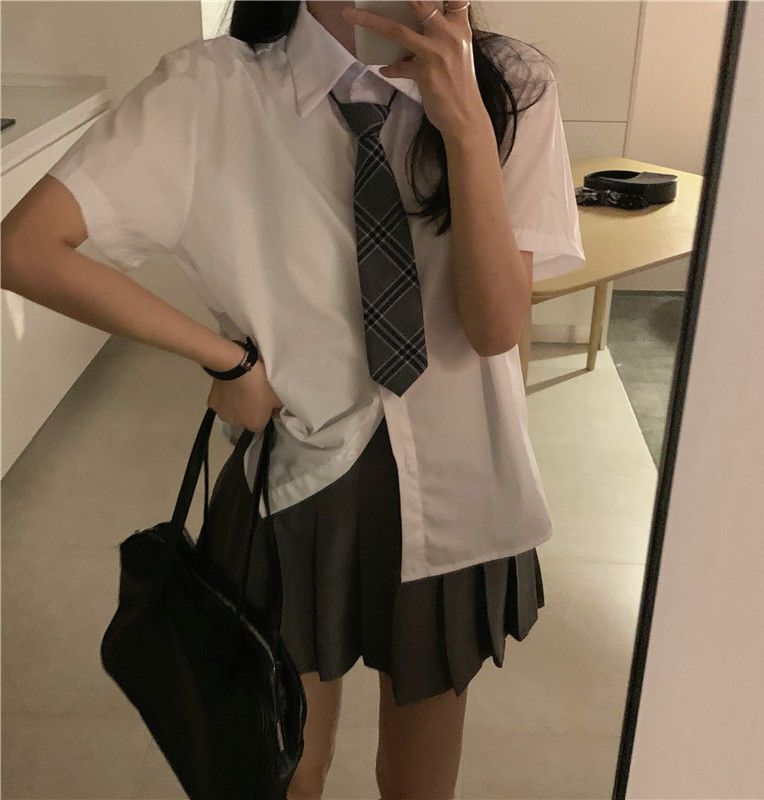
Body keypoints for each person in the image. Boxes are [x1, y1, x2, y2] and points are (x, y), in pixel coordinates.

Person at [1, 1, 585, 797]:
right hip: (296, 479)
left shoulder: (510, 84)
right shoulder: (210, 89)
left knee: (419, 782)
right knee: (282, 771)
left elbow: (494, 328)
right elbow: (25, 247)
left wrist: (467, 130)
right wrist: (225, 358)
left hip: (458, 481)